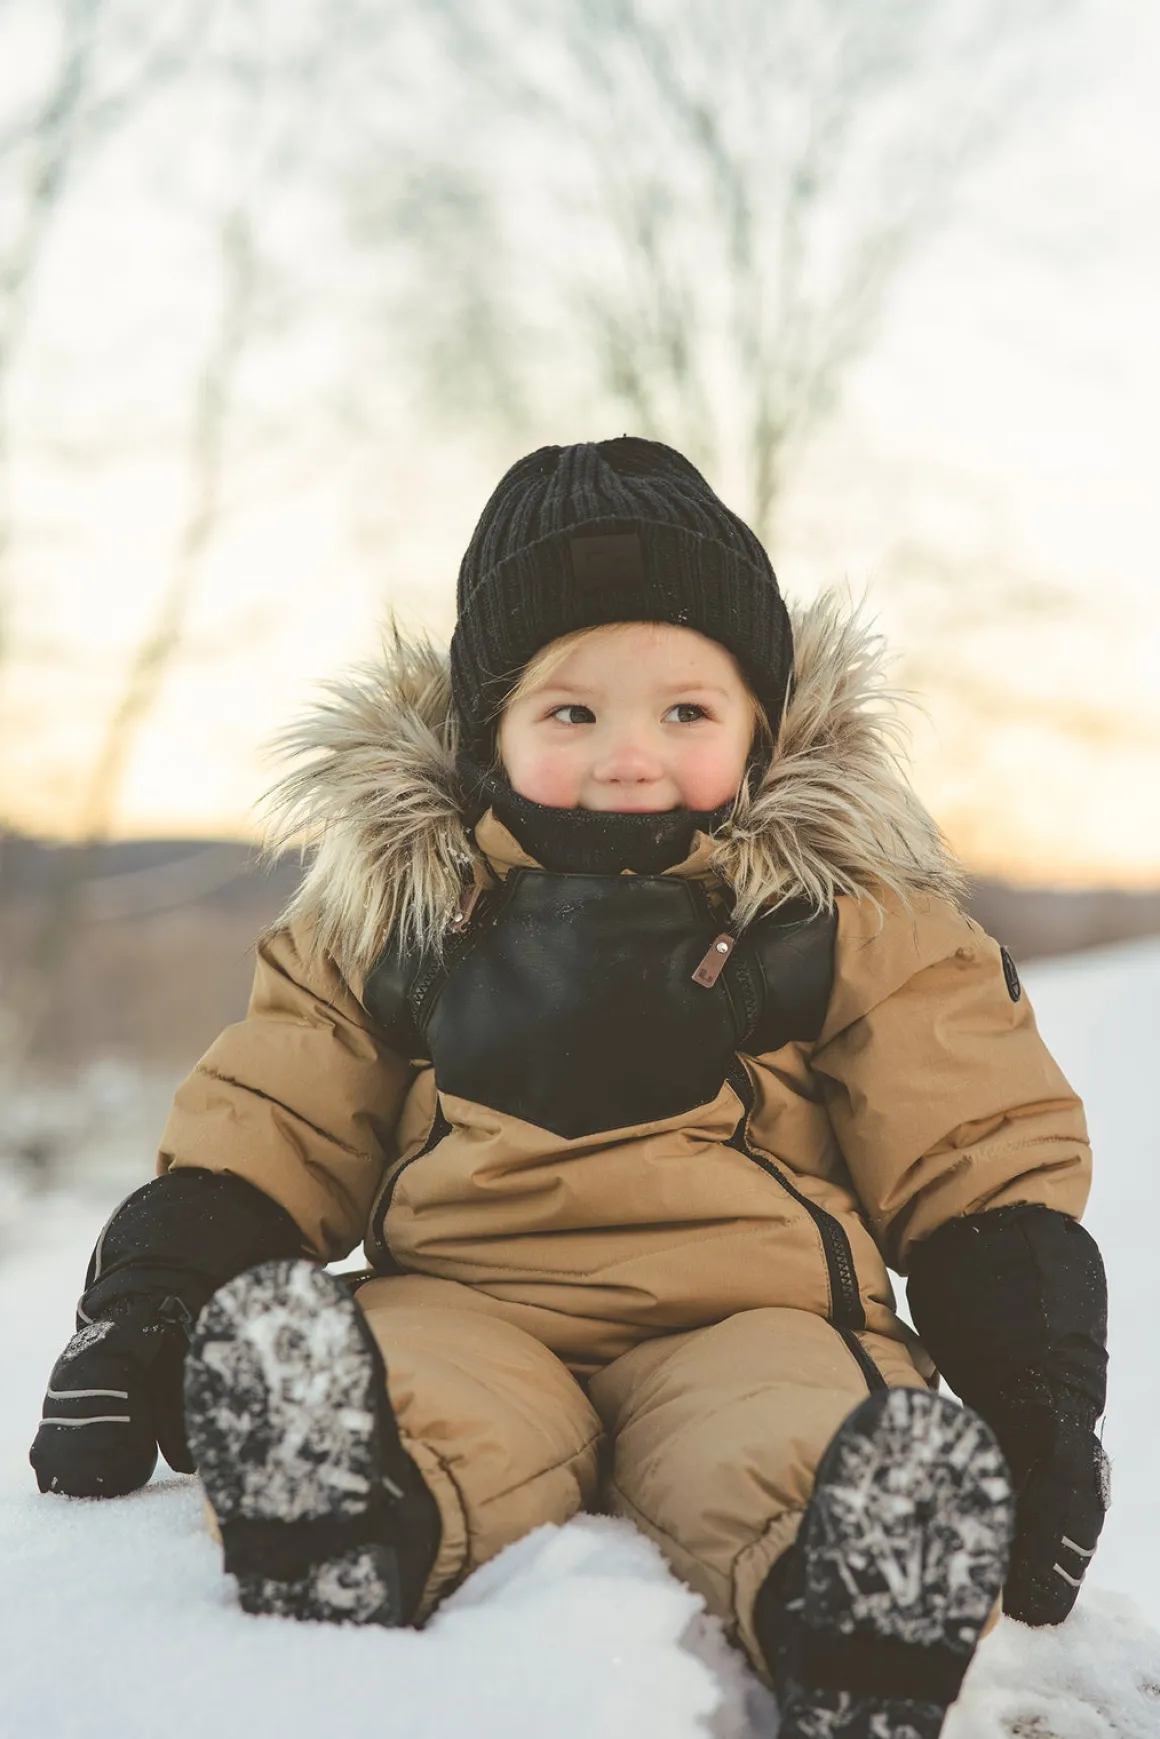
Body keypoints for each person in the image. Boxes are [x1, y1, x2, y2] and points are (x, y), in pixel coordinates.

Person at [30, 439, 1110, 1739]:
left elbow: (970, 1137)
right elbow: (279, 1115)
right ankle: (343, 1499)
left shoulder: (842, 912)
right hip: (470, 1300)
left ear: (763, 723)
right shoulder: (400, 910)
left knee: (795, 1429)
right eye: (572, 714)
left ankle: (858, 1588)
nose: (629, 756)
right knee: (401, 1380)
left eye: (686, 713)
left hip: (751, 1314)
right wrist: (148, 1304)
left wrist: (1037, 1388)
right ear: (487, 732)